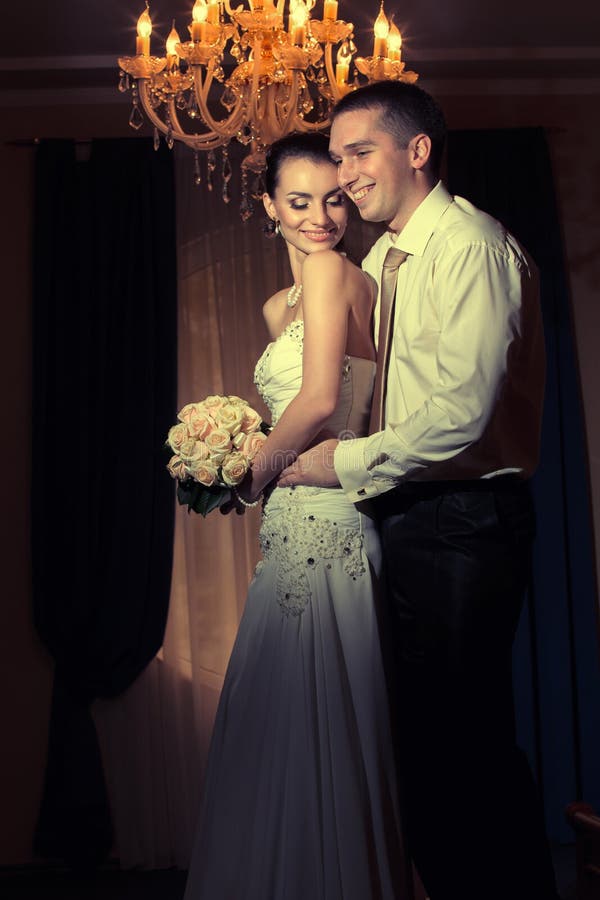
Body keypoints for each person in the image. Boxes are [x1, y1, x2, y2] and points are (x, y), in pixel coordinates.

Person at [278, 82, 560, 900]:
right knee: (423, 754)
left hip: (464, 520)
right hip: (405, 519)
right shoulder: (378, 260)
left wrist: (340, 464)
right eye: (336, 157)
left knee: (465, 749)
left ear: (417, 150)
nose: (346, 173)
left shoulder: (469, 244)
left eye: (359, 151)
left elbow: (461, 416)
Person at [183, 132, 412, 900]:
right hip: (295, 529)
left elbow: (321, 404)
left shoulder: (329, 271)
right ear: (269, 206)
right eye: (301, 201)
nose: (320, 217)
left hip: (326, 519)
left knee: (312, 724)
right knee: (292, 724)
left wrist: (249, 473)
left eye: (336, 198)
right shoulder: (279, 301)